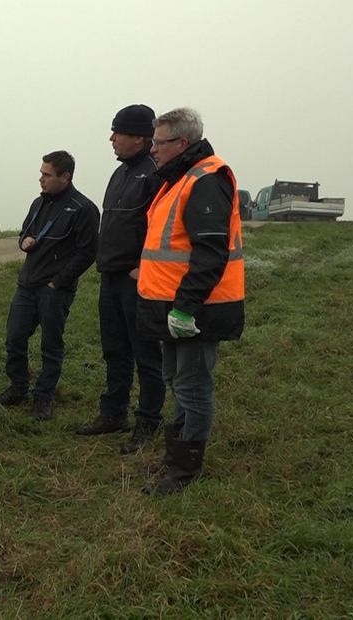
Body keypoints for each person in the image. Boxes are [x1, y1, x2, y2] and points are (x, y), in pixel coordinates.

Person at [137, 107, 244, 496]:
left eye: (159, 143)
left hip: (198, 309)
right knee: (176, 381)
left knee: (193, 385)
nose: (153, 150)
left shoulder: (206, 179)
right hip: (169, 305)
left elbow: (210, 251)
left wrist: (185, 307)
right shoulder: (177, 178)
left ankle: (184, 470)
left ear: (182, 143)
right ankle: (177, 454)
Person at [76, 105, 166, 454]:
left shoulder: (154, 173)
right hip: (111, 276)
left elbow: (161, 227)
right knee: (114, 350)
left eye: (118, 133)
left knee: (145, 353)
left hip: (137, 280)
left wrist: (144, 267)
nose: (111, 139)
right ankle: (113, 414)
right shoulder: (121, 174)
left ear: (140, 137)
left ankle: (148, 421)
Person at [0, 151, 99, 420]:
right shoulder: (38, 203)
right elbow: (25, 233)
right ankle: (18, 386)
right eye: (41, 173)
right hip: (27, 284)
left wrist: (58, 282)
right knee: (15, 338)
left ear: (65, 177)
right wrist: (24, 241)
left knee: (50, 345)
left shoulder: (84, 209)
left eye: (46, 174)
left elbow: (87, 252)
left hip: (54, 289)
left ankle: (44, 396)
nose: (40, 179)